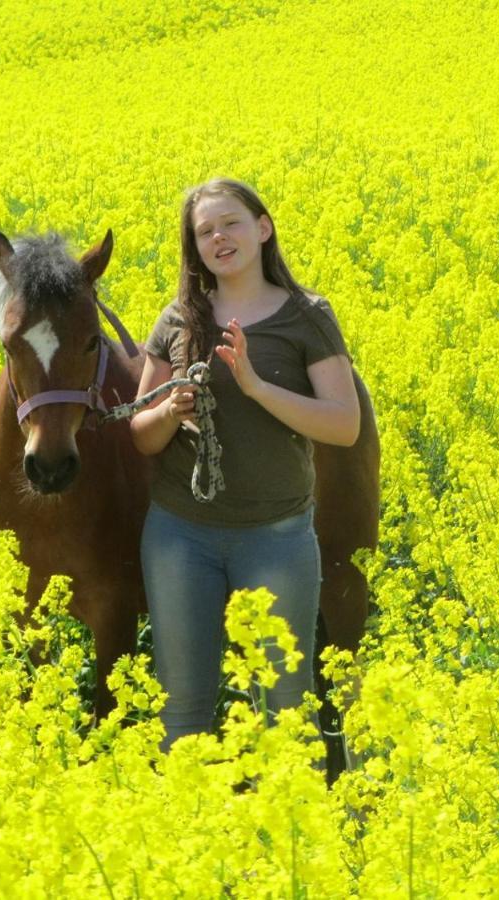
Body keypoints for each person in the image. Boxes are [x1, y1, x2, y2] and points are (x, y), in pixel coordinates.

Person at [130, 178, 360, 751]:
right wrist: (168, 412)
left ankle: (293, 838)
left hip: (277, 537)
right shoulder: (179, 319)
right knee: (181, 708)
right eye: (204, 231)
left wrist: (256, 388)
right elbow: (141, 435)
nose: (218, 237)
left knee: (287, 706)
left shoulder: (306, 316)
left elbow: (343, 423)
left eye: (230, 223)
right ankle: (191, 834)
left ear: (263, 228)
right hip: (181, 535)